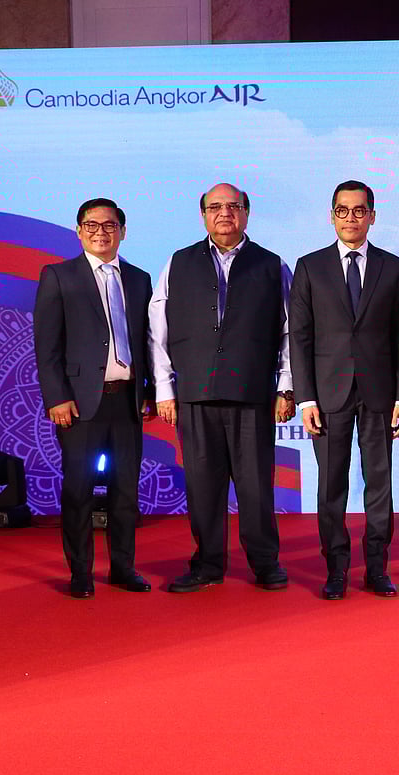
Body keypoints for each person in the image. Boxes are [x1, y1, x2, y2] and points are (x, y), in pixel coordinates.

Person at [149, 183, 296, 592]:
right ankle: (208, 565)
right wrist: (164, 388)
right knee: (203, 486)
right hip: (195, 394)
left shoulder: (272, 265)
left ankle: (265, 563)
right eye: (215, 207)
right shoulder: (178, 263)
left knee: (255, 486)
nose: (224, 214)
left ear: (247, 213)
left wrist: (285, 388)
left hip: (252, 394)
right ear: (203, 215)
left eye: (233, 206)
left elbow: (289, 332)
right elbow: (156, 330)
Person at [290, 180, 399, 600]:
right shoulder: (309, 266)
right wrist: (305, 397)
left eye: (359, 211)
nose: (351, 218)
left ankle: (377, 568)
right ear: (331, 215)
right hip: (327, 396)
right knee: (331, 486)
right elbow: (299, 338)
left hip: (380, 393)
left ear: (372, 216)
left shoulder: (394, 268)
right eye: (343, 210)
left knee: (380, 483)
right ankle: (336, 570)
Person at [33, 198, 153, 598]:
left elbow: (147, 343)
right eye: (92, 225)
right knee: (79, 490)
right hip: (80, 403)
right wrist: (57, 398)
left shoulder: (139, 279)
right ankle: (81, 573)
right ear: (79, 230)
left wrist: (148, 390)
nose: (101, 232)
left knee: (125, 491)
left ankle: (123, 568)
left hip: (127, 400)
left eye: (109, 225)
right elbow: (46, 347)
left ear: (122, 230)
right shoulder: (58, 276)